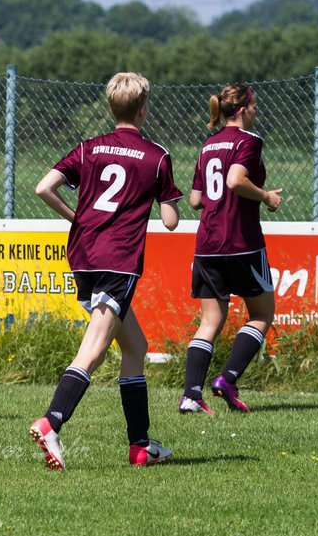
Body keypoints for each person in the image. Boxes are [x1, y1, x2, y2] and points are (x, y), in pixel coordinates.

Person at [29, 72, 182, 469]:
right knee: (94, 349)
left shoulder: (89, 148)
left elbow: (44, 187)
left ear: (111, 108)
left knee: (135, 347)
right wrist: (169, 200)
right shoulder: (156, 156)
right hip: (119, 259)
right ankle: (52, 422)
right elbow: (169, 222)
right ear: (144, 109)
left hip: (83, 255)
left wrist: (76, 216)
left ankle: (140, 446)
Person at [180, 84, 282, 415]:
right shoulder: (249, 142)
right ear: (241, 109)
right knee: (263, 315)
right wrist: (266, 196)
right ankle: (228, 379)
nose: (256, 111)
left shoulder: (208, 144)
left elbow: (196, 199)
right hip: (241, 242)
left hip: (207, 244)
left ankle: (191, 396)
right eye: (254, 106)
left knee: (210, 321)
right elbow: (235, 180)